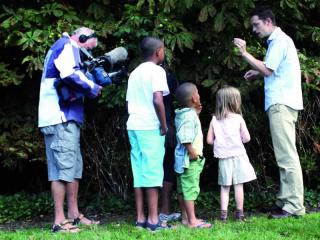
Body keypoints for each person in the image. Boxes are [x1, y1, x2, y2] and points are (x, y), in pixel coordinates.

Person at [233, 7, 305, 218]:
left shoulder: (279, 41)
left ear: (268, 21)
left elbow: (269, 70)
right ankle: (284, 201)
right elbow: (272, 70)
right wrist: (257, 72)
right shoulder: (279, 42)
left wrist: (244, 53)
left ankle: (293, 207)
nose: (254, 29)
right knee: (284, 155)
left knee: (287, 156)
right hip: (282, 103)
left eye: (256, 25)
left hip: (281, 104)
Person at [38, 27, 101, 233]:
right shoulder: (66, 45)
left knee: (73, 168)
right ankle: (59, 221)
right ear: (80, 38)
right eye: (87, 47)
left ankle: (73, 215)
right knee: (60, 171)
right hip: (59, 117)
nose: (87, 52)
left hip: (67, 117)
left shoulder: (68, 48)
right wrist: (93, 87)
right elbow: (69, 74)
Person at [126, 37, 171, 231]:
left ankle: (140, 218)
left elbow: (128, 104)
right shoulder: (157, 71)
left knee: (139, 171)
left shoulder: (134, 73)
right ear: (158, 51)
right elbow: (157, 100)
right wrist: (163, 124)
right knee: (152, 172)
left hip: (133, 125)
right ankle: (153, 220)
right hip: (149, 126)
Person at [206, 85, 256, 222]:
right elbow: (247, 138)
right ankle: (240, 214)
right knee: (239, 185)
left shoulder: (215, 119)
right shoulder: (238, 118)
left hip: (223, 157)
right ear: (234, 101)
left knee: (225, 187)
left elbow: (209, 140)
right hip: (238, 155)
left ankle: (223, 216)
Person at [174, 82, 212, 228]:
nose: (199, 94)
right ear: (194, 99)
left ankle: (185, 218)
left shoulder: (183, 113)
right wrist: (192, 153)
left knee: (182, 189)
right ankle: (192, 221)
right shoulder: (189, 116)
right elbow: (185, 136)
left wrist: (196, 114)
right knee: (190, 189)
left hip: (180, 160)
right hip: (189, 160)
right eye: (197, 92)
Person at [159, 64, 181, 223]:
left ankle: (159, 211)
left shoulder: (138, 75)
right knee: (167, 168)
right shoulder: (166, 77)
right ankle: (164, 210)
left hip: (146, 127)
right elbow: (179, 93)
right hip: (165, 127)